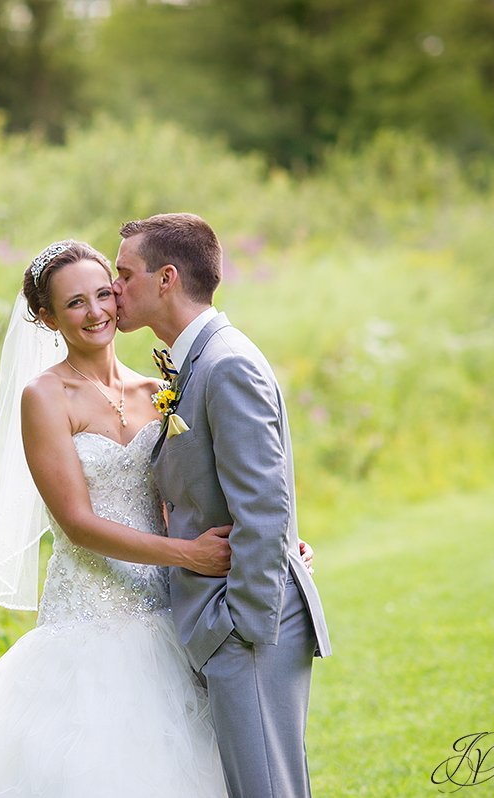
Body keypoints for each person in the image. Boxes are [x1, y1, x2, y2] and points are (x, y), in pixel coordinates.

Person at [0, 240, 314, 796]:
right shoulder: (45, 397)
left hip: (175, 617)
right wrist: (189, 554)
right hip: (91, 618)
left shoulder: (160, 389)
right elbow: (76, 523)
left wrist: (274, 544)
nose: (97, 311)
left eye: (105, 292)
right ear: (46, 316)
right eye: (75, 303)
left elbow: (201, 495)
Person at [113, 213, 332, 798]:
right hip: (226, 622)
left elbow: (264, 506)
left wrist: (241, 628)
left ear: (166, 279)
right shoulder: (195, 360)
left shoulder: (225, 362)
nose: (114, 289)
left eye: (124, 274)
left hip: (248, 629)